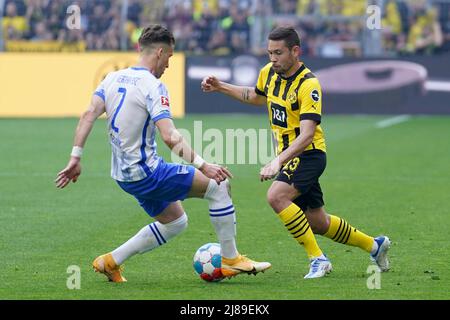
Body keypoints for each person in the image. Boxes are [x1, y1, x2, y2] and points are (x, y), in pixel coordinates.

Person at [55, 24, 271, 282]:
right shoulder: (153, 86)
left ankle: (110, 261)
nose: (168, 64)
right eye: (169, 56)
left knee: (175, 222)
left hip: (124, 177)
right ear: (159, 52)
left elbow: (88, 114)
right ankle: (231, 259)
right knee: (218, 186)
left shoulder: (112, 78)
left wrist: (75, 157)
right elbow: (169, 136)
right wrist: (204, 165)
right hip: (149, 173)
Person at [201, 26, 390, 279]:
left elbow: (307, 134)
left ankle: (318, 259)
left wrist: (276, 161)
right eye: (269, 53)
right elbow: (256, 97)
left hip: (308, 154)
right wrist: (220, 86)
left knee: (276, 197)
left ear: (295, 51)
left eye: (278, 53)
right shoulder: (268, 73)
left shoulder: (308, 84)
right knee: (317, 222)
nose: (273, 59)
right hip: (289, 155)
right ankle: (374, 245)